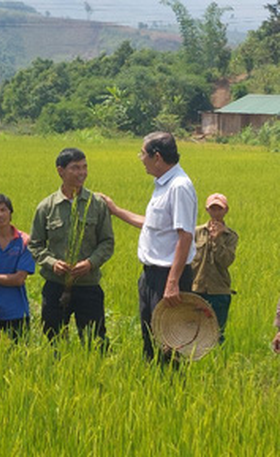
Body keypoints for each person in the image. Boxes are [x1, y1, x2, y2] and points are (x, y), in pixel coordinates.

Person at [100, 131, 197, 362]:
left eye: (142, 153)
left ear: (157, 156)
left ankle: (171, 389)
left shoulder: (179, 186)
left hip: (168, 276)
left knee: (169, 344)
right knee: (150, 337)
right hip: (151, 275)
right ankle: (156, 383)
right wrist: (115, 210)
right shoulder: (163, 184)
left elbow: (185, 236)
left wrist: (173, 283)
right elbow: (153, 225)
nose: (140, 158)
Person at [28, 148, 114, 348]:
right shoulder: (47, 207)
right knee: (54, 340)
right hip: (55, 286)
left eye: (84, 167)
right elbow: (35, 244)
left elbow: (107, 242)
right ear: (60, 171)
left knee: (95, 341)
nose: (81, 172)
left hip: (88, 285)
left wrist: (90, 263)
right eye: (75, 168)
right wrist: (52, 263)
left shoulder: (97, 205)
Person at [0, 193, 36, 342]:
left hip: (17, 312)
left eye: (3, 210)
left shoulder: (24, 242)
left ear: (10, 213)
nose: (0, 215)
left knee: (19, 356)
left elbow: (19, 279)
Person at [191, 193, 238, 344]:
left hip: (219, 291)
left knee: (217, 334)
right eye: (213, 209)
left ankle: (216, 364)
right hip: (196, 290)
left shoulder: (231, 236)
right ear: (207, 210)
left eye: (220, 209)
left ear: (226, 210)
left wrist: (217, 239)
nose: (216, 212)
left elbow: (225, 262)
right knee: (192, 332)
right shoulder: (196, 233)